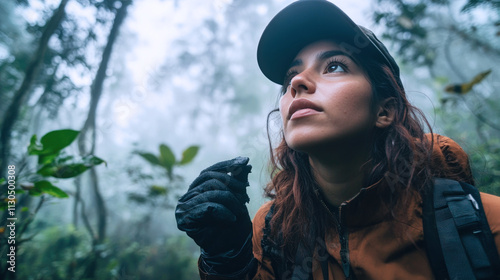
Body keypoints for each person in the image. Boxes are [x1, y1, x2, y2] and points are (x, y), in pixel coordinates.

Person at [175, 0, 500, 279]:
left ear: (384, 110)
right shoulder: (272, 231)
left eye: (334, 66)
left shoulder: (484, 224)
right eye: (291, 76)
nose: (297, 82)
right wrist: (229, 262)